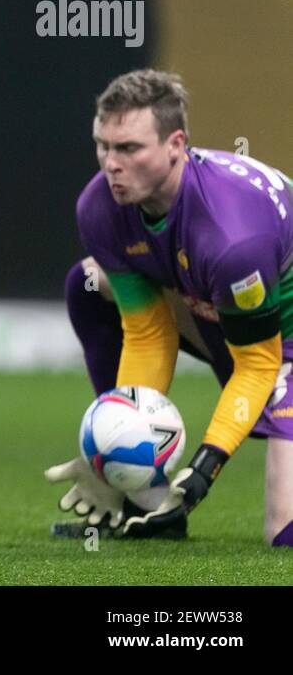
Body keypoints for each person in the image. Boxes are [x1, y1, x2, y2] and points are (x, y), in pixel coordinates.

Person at [49, 69, 293, 546]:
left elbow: (258, 363)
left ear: (176, 144)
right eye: (104, 145)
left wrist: (203, 470)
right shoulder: (99, 208)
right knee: (88, 283)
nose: (110, 165)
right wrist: (113, 447)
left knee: (284, 535)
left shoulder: (231, 237)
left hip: (278, 343)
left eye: (129, 149)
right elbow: (147, 331)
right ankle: (146, 501)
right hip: (223, 315)